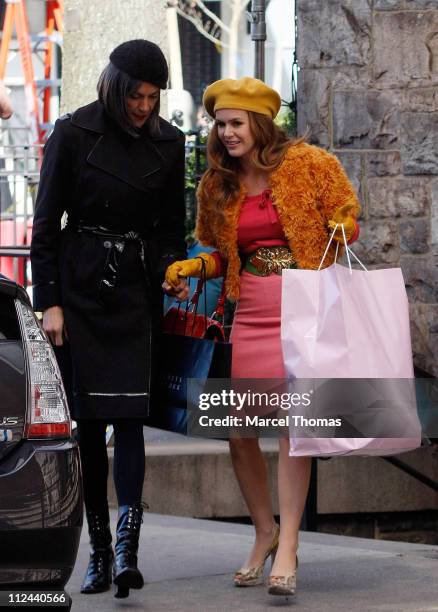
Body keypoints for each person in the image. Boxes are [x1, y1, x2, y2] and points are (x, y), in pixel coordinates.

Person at [164, 76, 360, 598]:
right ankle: (264, 531)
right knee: (239, 428)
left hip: (305, 309)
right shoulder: (216, 185)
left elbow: (346, 223)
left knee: (296, 427)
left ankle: (290, 543)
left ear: (259, 124)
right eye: (220, 124)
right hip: (249, 312)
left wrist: (344, 218)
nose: (226, 133)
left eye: (235, 123)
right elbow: (219, 256)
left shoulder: (310, 165)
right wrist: (193, 265)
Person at [31, 39, 188, 599]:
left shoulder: (170, 143)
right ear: (114, 86)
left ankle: (128, 551)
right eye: (136, 96)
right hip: (80, 292)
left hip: (136, 293)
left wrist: (174, 266)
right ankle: (98, 553)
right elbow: (45, 226)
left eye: (152, 97)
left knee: (130, 420)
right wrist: (48, 301)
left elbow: (171, 227)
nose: (144, 106)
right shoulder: (72, 134)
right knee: (91, 428)